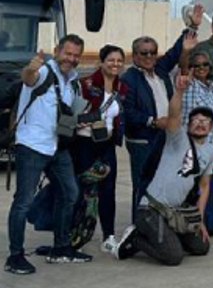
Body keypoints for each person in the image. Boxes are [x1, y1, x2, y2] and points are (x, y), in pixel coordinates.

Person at [5, 36, 89, 275]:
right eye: (67, 53)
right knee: (23, 202)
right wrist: (30, 69)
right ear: (57, 51)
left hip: (56, 147)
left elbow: (67, 115)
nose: (71, 59)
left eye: (75, 56)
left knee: (70, 193)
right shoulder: (44, 72)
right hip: (32, 145)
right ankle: (15, 256)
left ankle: (61, 247)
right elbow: (29, 79)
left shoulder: (72, 82)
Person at [111, 76, 213, 266]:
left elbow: (205, 186)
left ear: (211, 126)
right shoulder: (178, 138)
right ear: (188, 124)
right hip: (152, 209)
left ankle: (167, 235)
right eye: (196, 120)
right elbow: (174, 115)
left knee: (201, 247)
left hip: (176, 212)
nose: (200, 123)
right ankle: (135, 238)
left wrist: (199, 220)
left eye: (205, 121)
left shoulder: (211, 151)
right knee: (173, 257)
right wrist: (179, 92)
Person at [72, 44, 129, 254]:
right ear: (101, 62)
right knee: (82, 191)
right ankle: (74, 234)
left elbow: (121, 117)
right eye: (111, 60)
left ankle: (108, 236)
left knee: (108, 191)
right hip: (84, 143)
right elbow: (72, 113)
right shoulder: (85, 85)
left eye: (119, 61)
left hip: (106, 143)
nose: (115, 64)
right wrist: (81, 121)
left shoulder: (122, 88)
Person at [121, 34, 185, 217]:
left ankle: (157, 226)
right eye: (144, 53)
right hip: (143, 140)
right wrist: (153, 121)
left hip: (166, 138)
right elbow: (128, 111)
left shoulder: (160, 71)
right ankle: (138, 227)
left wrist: (192, 27)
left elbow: (175, 52)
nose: (149, 57)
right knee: (143, 184)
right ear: (134, 55)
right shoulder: (129, 79)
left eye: (153, 53)